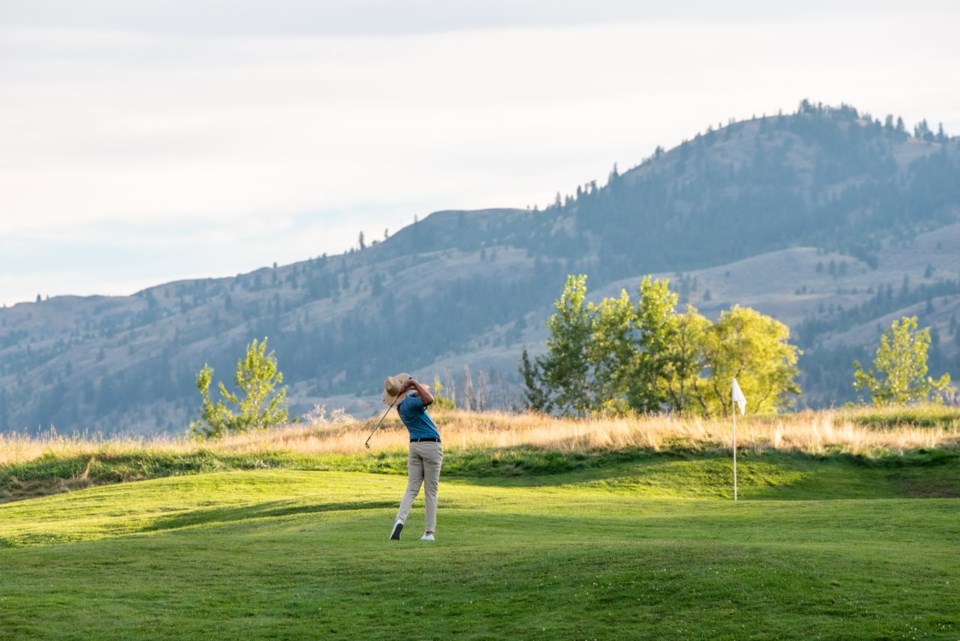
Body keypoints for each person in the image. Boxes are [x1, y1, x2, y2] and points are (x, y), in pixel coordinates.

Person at [383, 373, 442, 542]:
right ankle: (429, 533)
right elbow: (429, 398)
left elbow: (425, 390)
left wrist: (411, 386)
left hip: (414, 447)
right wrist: (414, 383)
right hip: (431, 446)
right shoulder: (411, 403)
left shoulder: (400, 407)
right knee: (431, 491)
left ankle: (400, 520)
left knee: (411, 489)